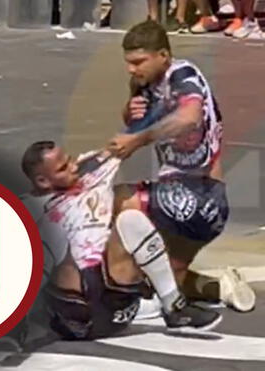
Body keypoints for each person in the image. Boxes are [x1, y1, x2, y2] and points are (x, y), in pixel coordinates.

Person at [108, 20, 255, 312]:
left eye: (139, 62)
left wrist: (138, 139)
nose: (132, 69)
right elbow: (138, 119)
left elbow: (189, 117)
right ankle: (219, 287)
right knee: (163, 280)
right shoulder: (145, 83)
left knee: (116, 202)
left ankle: (110, 294)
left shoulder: (183, 76)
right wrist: (130, 112)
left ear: (163, 55)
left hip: (200, 196)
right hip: (183, 198)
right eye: (128, 63)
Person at [20, 141, 222, 340]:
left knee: (131, 219)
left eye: (70, 160)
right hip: (73, 317)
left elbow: (132, 138)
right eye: (63, 168)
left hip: (115, 309)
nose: (73, 167)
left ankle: (175, 308)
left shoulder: (92, 167)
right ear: (43, 181)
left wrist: (138, 114)